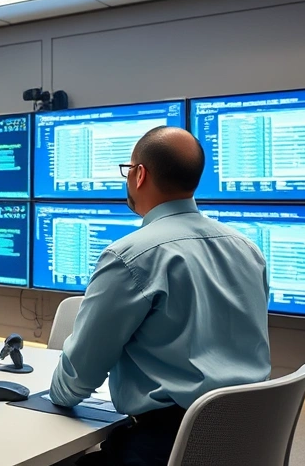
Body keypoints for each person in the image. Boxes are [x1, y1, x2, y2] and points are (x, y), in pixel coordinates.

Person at [49, 126, 271, 466]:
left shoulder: (130, 256)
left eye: (128, 170)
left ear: (140, 175)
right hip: (244, 441)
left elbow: (78, 377)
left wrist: (54, 396)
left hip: (164, 448)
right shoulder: (248, 249)